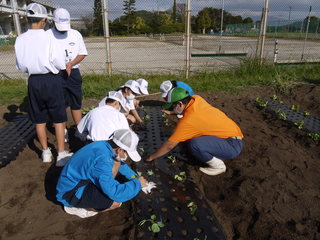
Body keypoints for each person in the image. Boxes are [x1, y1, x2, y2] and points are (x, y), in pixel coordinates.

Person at [14, 3, 72, 166]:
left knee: (39, 119)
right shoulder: (49, 37)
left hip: (33, 81)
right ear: (45, 20)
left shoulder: (20, 39)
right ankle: (61, 154)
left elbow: (20, 66)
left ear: (26, 19)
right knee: (59, 118)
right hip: (51, 79)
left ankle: (46, 152)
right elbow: (59, 61)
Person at [146, 87, 244, 176]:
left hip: (231, 146)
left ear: (180, 103)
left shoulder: (189, 120)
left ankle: (218, 166)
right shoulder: (196, 99)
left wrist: (151, 157)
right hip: (232, 134)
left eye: (173, 106)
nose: (173, 109)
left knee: (194, 144)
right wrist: (173, 112)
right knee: (189, 138)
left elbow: (169, 145)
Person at [56, 129, 149, 218]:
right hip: (70, 193)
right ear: (120, 150)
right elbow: (115, 193)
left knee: (117, 169)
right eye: (127, 154)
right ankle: (77, 207)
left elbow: (121, 164)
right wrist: (137, 184)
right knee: (116, 203)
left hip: (72, 181)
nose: (127, 157)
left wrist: (135, 177)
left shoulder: (103, 145)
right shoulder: (102, 162)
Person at [47, 8, 88, 141]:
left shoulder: (75, 34)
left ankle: (79, 130)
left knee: (76, 102)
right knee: (60, 104)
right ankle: (62, 131)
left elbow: (82, 53)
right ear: (53, 21)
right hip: (56, 74)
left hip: (73, 73)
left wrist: (71, 63)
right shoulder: (47, 35)